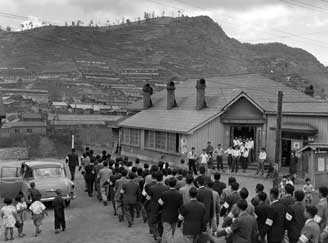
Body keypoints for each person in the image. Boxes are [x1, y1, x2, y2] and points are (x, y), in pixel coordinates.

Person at [158, 177, 183, 243]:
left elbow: (160, 203)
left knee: (167, 232)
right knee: (170, 232)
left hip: (165, 215)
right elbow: (181, 207)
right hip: (175, 216)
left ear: (168, 184)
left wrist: (160, 210)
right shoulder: (179, 195)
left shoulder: (164, 194)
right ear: (176, 184)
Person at [147, 171, 169, 242]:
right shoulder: (167, 188)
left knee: (151, 223)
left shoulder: (152, 188)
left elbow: (148, 198)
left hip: (154, 208)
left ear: (155, 178)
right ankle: (160, 235)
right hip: (163, 208)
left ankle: (157, 235)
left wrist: (145, 206)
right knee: (160, 223)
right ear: (162, 178)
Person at [196, 177, 215, 243]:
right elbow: (212, 204)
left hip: (200, 216)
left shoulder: (198, 192)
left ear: (198, 183)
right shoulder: (209, 191)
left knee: (200, 232)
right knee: (206, 229)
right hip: (207, 214)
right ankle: (210, 240)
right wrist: (211, 215)